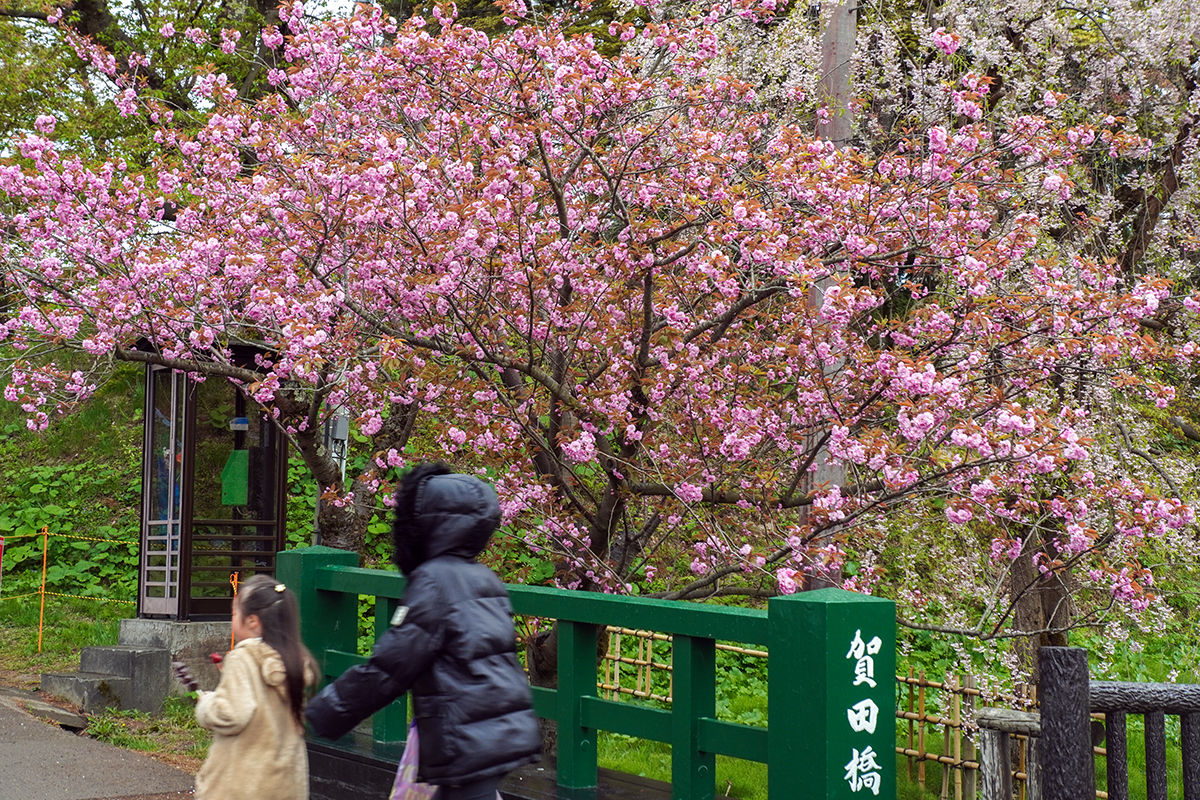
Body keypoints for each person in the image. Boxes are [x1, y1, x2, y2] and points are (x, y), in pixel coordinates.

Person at [306, 462, 542, 800]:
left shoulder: (433, 581)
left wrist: (327, 710)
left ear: (426, 524)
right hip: (496, 733)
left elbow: (392, 664)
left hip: (463, 740)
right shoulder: (484, 578)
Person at [193, 574, 319, 800]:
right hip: (284, 783)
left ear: (252, 621)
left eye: (234, 612)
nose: (232, 618)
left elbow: (233, 713)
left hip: (243, 783)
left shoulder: (243, 658)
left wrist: (208, 704)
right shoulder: (293, 660)